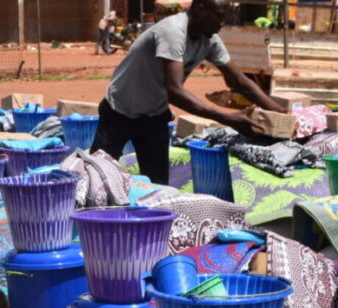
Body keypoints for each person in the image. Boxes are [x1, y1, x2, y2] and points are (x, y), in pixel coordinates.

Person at [90, 0, 285, 185]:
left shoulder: (209, 40)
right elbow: (175, 91)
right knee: (97, 176)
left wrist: (278, 113)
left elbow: (239, 81)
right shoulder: (173, 31)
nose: (222, 23)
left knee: (158, 186)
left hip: (154, 116)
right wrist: (228, 118)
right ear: (200, 8)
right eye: (218, 17)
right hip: (119, 112)